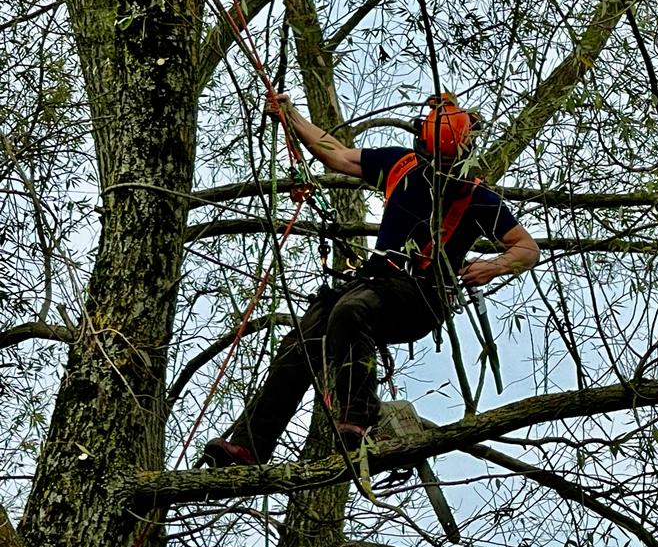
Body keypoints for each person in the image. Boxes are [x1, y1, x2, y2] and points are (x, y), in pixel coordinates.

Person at [201, 92, 540, 467]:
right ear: (422, 148)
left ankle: (358, 419)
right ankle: (251, 446)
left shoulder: (477, 197)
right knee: (301, 341)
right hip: (375, 282)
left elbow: (526, 248)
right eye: (436, 160)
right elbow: (337, 154)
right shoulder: (402, 164)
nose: (442, 169)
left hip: (420, 295)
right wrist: (292, 116)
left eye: (450, 161)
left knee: (350, 312)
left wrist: (493, 265)